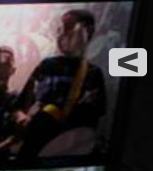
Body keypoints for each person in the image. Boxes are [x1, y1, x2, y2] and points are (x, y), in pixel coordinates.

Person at [11, 10, 107, 160]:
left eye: (68, 28)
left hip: (66, 152)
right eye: (60, 29)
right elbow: (19, 106)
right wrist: (21, 118)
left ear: (87, 32)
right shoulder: (46, 65)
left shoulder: (93, 73)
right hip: (33, 147)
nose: (62, 34)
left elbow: (91, 119)